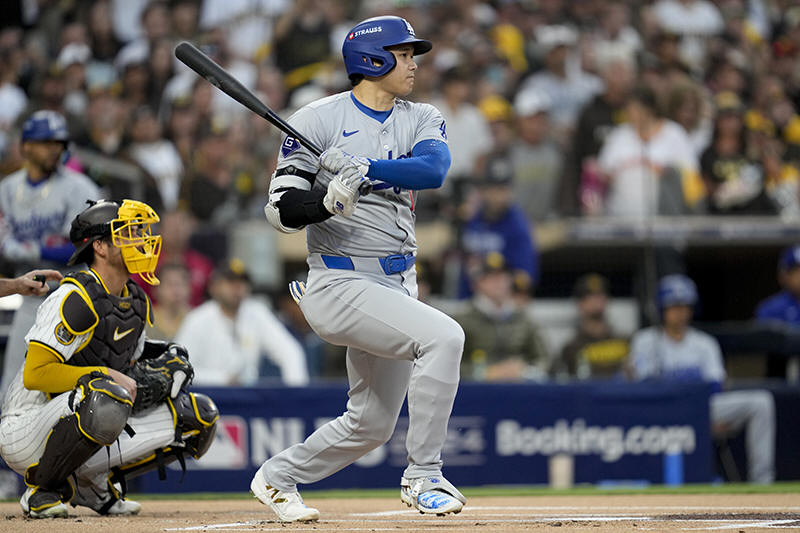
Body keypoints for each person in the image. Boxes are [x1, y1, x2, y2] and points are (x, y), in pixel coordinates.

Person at [256, 15, 466, 522]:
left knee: (370, 424)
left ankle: (277, 477)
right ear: (371, 59)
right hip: (339, 279)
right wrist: (327, 202)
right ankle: (424, 476)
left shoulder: (421, 116)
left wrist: (367, 169)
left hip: (398, 282)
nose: (413, 64)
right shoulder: (317, 120)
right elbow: (281, 210)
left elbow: (434, 169)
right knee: (445, 338)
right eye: (403, 54)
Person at [0, 199, 218, 518]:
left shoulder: (137, 301)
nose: (140, 240)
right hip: (26, 425)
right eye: (129, 233)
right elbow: (36, 374)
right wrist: (103, 374)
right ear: (100, 246)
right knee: (105, 395)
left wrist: (165, 367)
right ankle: (42, 490)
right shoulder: (74, 297)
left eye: (140, 232)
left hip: (78, 411)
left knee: (196, 417)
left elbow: (127, 367)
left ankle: (90, 485)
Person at [629, 274, 775, 484]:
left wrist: (700, 418)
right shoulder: (645, 341)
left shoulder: (704, 343)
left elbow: (715, 384)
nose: (681, 312)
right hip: (661, 412)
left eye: (685, 306)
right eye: (674, 306)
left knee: (761, 402)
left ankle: (763, 481)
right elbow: (642, 385)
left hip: (700, 408)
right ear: (661, 309)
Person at [0, 110, 101, 402]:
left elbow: (90, 244)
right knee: (12, 386)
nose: (54, 149)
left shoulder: (79, 187)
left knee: (74, 387)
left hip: (74, 295)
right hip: (30, 297)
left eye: (59, 143)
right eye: (46, 142)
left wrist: (36, 249)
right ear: (26, 146)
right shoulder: (7, 189)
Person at [174, 259, 309, 386]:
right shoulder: (198, 319)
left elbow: (291, 353)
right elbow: (178, 367)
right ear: (214, 287)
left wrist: (296, 393)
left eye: (242, 282)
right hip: (207, 394)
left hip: (246, 396)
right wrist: (222, 379)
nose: (237, 288)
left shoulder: (257, 313)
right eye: (230, 282)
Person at [453, 252, 549, 382]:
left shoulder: (523, 319)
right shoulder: (462, 319)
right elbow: (450, 362)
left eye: (503, 277)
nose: (499, 283)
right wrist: (484, 373)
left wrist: (526, 371)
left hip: (519, 384)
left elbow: (543, 358)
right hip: (477, 388)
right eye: (491, 278)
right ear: (477, 283)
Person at [555, 273, 630, 380]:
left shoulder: (625, 341)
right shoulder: (571, 349)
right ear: (579, 303)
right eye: (589, 296)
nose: (597, 300)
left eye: (600, 295)